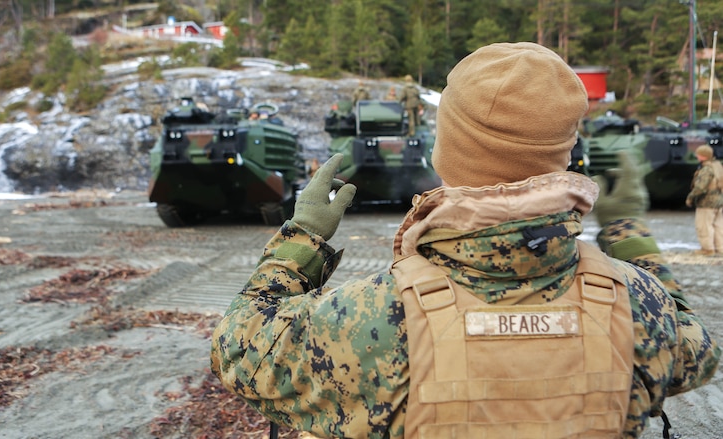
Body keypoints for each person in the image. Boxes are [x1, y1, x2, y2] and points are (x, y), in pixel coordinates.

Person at [211, 42, 720, 438]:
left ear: (446, 153)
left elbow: (241, 349)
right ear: (563, 155)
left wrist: (301, 241)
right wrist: (629, 231)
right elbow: (696, 347)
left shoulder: (373, 316)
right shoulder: (637, 305)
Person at [685, 144, 723, 255]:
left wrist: (690, 197)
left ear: (703, 156)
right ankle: (720, 248)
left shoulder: (706, 169)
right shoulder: (717, 166)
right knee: (718, 226)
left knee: (703, 226)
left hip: (706, 203)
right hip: (719, 202)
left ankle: (707, 249)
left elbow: (701, 187)